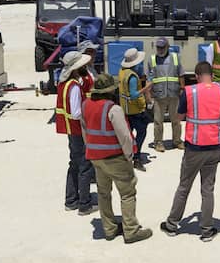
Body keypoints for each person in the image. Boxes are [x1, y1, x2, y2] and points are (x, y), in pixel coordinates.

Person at [80, 74, 153, 244]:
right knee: (127, 193)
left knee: (103, 193)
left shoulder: (85, 105)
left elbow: (85, 131)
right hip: (115, 157)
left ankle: (109, 228)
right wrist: (129, 156)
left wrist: (91, 148)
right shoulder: (113, 109)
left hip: (95, 157)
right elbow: (125, 136)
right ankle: (131, 230)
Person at [161, 61, 220, 242]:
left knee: (184, 186)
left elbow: (179, 117)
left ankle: (172, 224)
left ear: (197, 76)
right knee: (208, 189)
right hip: (215, 147)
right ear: (212, 75)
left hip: (194, 147)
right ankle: (207, 229)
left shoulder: (190, 92)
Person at [54, 50, 96, 214]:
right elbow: (76, 112)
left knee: (74, 164)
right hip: (79, 131)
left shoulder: (64, 83)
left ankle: (71, 200)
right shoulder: (74, 87)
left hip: (71, 130)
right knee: (85, 166)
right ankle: (84, 204)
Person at [117, 48, 151, 171]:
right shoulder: (132, 77)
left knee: (127, 134)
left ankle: (126, 155)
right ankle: (136, 156)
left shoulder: (122, 72)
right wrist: (146, 88)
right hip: (135, 110)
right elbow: (134, 95)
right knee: (141, 132)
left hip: (125, 108)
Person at [148, 37, 184, 151]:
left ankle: (177, 141)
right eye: (158, 47)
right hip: (159, 95)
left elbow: (181, 74)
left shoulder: (175, 57)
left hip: (174, 93)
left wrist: (182, 89)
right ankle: (158, 142)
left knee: (176, 119)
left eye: (162, 47)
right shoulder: (152, 59)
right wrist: (148, 94)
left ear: (167, 47)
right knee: (158, 121)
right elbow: (149, 78)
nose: (160, 50)